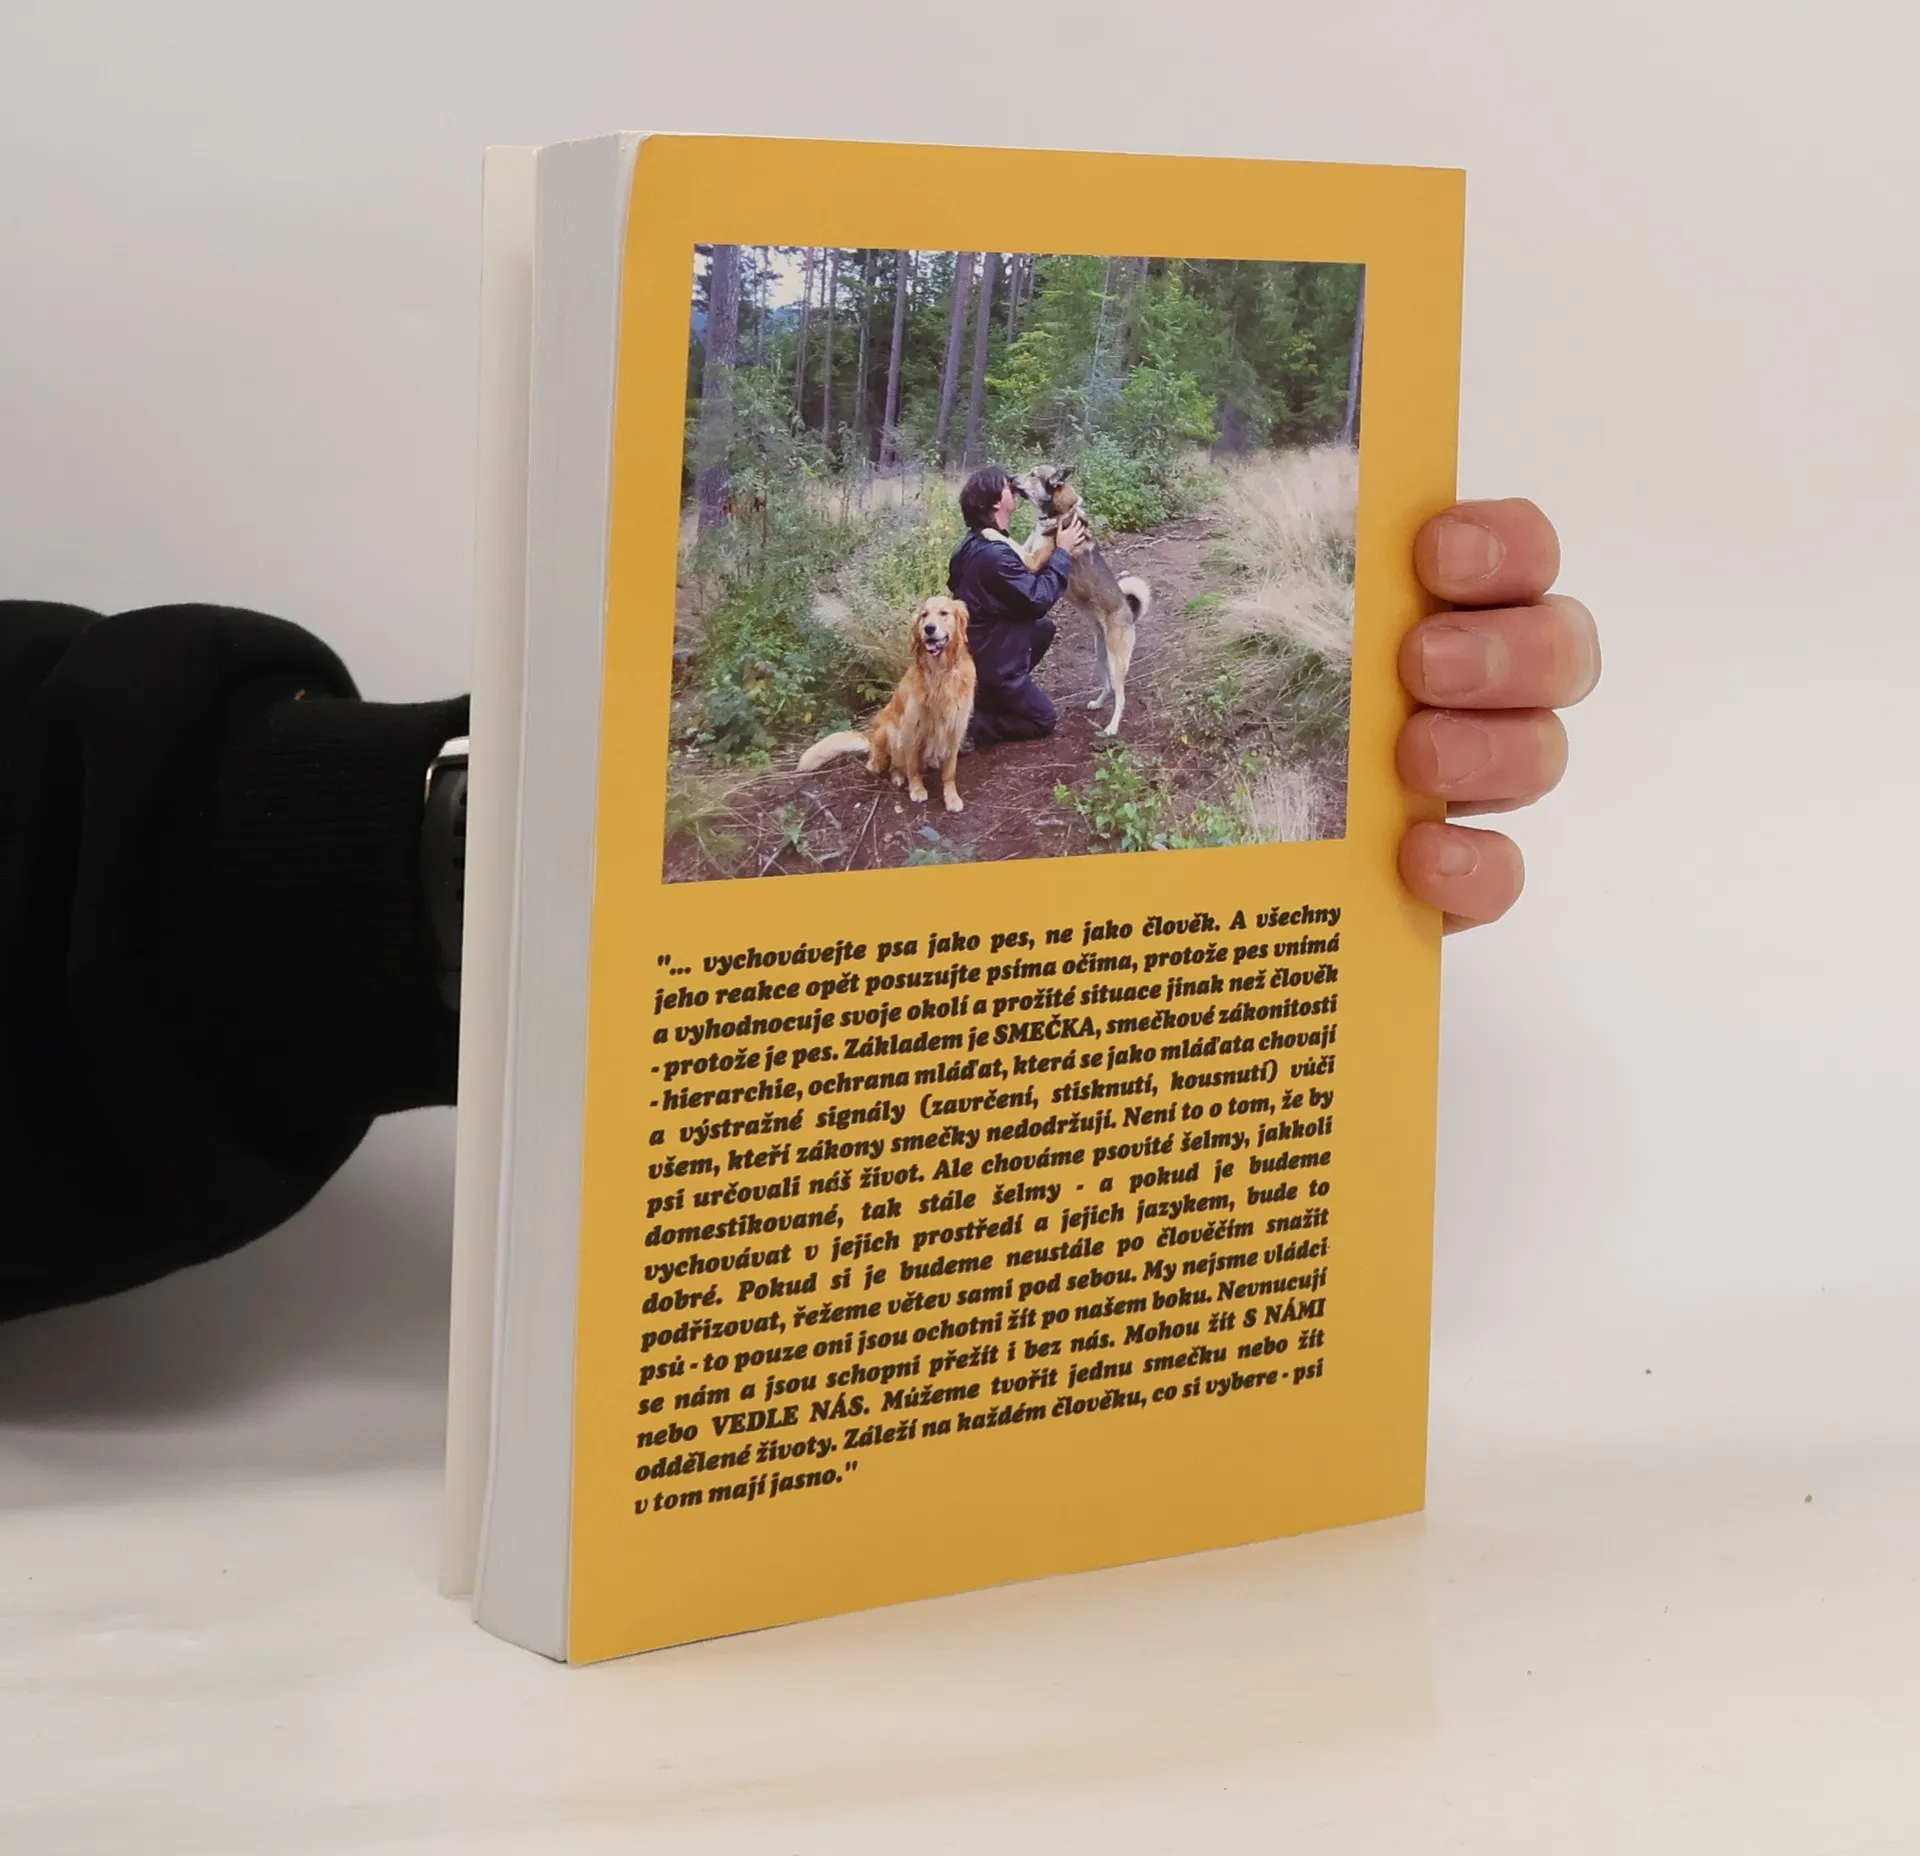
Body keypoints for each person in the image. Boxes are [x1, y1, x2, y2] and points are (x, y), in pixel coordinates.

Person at [0, 499, 1596, 1323]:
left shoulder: (989, 579)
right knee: (938, 745)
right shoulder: (969, 582)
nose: (932, 620)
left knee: (992, 735)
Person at [947, 464, 1090, 746]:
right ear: (996, 502)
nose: (1013, 485)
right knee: (1044, 719)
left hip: (977, 643)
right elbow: (1038, 599)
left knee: (1043, 628)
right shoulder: (994, 555)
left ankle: (996, 694)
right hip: (989, 659)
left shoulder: (975, 542)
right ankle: (975, 725)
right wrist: (1062, 551)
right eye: (1006, 485)